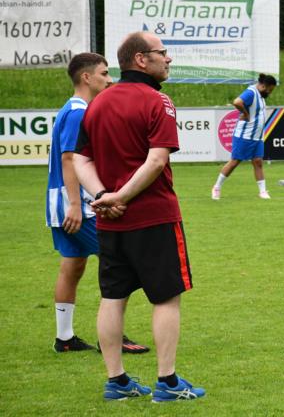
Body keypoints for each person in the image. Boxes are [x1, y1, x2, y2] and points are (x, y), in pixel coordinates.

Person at [74, 32, 204, 402]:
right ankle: (168, 383)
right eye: (163, 52)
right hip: (153, 216)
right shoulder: (157, 100)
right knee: (166, 298)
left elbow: (81, 159)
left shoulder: (98, 102)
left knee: (113, 297)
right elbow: (157, 159)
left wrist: (103, 196)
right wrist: (119, 196)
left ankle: (116, 382)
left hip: (110, 221)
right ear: (141, 59)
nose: (169, 58)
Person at [46, 53, 148, 355]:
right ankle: (111, 337)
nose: (109, 79)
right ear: (86, 77)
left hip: (60, 203)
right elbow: (69, 159)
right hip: (77, 206)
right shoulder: (79, 112)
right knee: (121, 263)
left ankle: (64, 338)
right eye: (104, 73)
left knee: (73, 265)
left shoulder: (71, 108)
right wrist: (76, 205)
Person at [211, 73, 278, 200]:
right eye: (269, 90)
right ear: (264, 86)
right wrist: (245, 113)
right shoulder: (251, 92)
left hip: (257, 136)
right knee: (234, 162)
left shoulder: (260, 95)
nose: (270, 93)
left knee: (258, 162)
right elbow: (237, 102)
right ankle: (216, 187)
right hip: (245, 135)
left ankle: (262, 191)